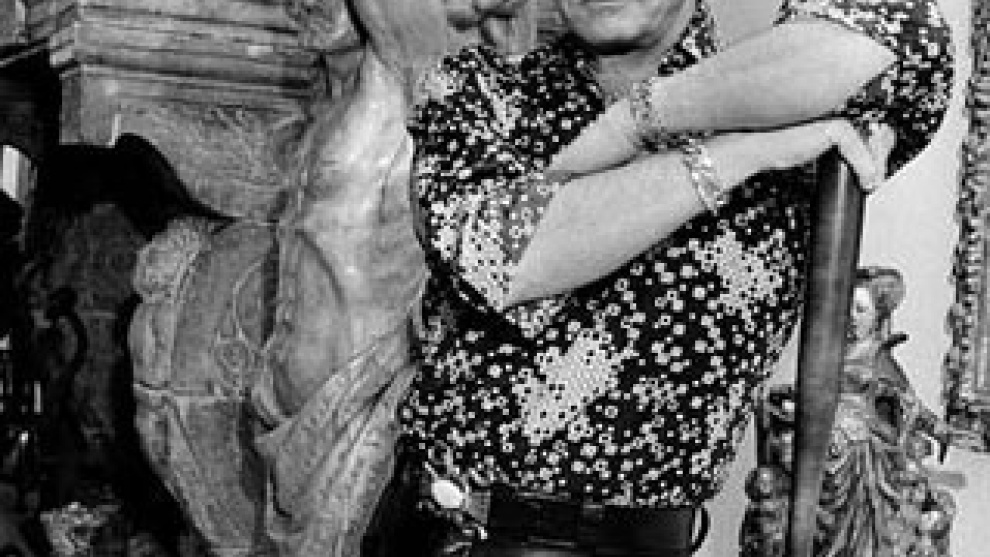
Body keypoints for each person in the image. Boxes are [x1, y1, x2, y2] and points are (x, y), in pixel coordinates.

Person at [384, 0, 954, 555]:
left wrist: (643, 115)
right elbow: (498, 260)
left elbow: (909, 33)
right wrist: (739, 154)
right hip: (455, 532)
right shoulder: (480, 89)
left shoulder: (800, 103)